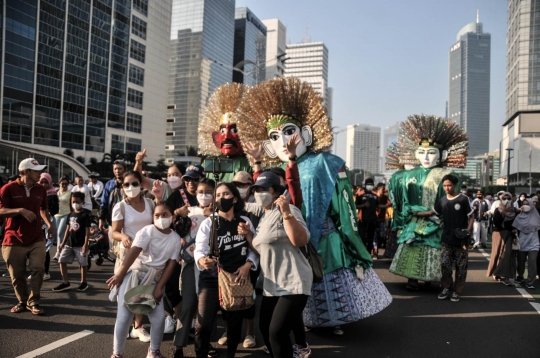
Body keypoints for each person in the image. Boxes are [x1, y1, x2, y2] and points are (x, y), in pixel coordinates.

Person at [236, 77, 392, 334]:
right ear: (269, 147)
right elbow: (268, 189)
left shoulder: (325, 162)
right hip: (290, 234)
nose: (284, 141)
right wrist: (256, 164)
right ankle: (305, 325)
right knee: (297, 283)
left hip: (325, 235)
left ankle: (334, 321)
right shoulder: (282, 168)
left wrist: (349, 238)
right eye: (275, 136)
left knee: (329, 277)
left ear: (305, 134)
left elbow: (343, 205)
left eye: (289, 131)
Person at [387, 115, 469, 291]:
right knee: (413, 246)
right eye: (422, 152)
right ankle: (413, 279)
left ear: (442, 155)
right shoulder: (408, 175)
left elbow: (449, 198)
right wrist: (406, 214)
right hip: (415, 219)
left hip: (436, 219)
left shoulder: (445, 176)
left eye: (431, 153)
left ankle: (430, 278)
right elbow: (401, 198)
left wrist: (441, 217)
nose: (426, 157)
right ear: (416, 153)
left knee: (434, 249)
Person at [248, 172, 312, 358]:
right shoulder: (264, 215)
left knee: (277, 331)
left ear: (275, 191)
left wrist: (286, 213)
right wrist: (248, 236)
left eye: (264, 189)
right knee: (266, 328)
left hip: (294, 281)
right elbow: (264, 248)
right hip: (272, 284)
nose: (259, 193)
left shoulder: (289, 210)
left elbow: (300, 240)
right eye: (256, 190)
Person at [107, 202, 182, 358]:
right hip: (134, 274)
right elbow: (134, 251)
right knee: (124, 316)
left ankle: (153, 351)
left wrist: (159, 287)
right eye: (157, 215)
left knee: (159, 318)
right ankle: (117, 353)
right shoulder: (148, 231)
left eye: (165, 215)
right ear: (152, 218)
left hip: (154, 279)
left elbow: (170, 265)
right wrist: (120, 273)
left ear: (173, 217)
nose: (161, 218)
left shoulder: (175, 238)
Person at [194, 182, 258, 358]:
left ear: (235, 198)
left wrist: (248, 265)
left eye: (226, 194)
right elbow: (199, 248)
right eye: (219, 195)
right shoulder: (209, 223)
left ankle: (231, 354)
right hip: (212, 277)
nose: (222, 198)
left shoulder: (245, 222)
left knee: (234, 322)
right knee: (203, 323)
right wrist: (202, 260)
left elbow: (255, 249)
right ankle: (201, 352)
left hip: (237, 277)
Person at [0, 158, 53, 315]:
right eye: (36, 171)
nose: (40, 174)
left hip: (36, 237)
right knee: (17, 274)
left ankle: (34, 301)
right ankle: (23, 301)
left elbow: (43, 209)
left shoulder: (40, 190)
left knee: (38, 268)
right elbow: (1, 211)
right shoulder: (7, 189)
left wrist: (50, 225)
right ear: (26, 172)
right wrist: (20, 210)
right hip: (13, 238)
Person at [412, 174, 474, 302]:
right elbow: (431, 212)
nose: (447, 188)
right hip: (446, 239)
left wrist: (467, 230)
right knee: (445, 265)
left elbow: (471, 216)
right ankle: (447, 288)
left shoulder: (463, 199)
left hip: (461, 240)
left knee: (461, 267)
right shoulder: (443, 200)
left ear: (455, 185)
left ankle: (457, 291)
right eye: (445, 185)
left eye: (449, 185)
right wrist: (416, 213)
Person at [172, 178, 215, 358]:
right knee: (188, 305)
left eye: (208, 192)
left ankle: (203, 344)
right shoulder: (188, 211)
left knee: (206, 309)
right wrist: (176, 213)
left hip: (211, 266)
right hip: (190, 264)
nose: (204, 196)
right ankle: (179, 345)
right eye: (200, 192)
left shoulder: (220, 213)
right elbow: (171, 225)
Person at [112, 170, 155, 342]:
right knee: (127, 291)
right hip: (129, 254)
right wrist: (123, 236)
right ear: (122, 187)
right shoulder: (120, 206)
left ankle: (137, 326)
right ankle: (125, 328)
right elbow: (115, 231)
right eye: (126, 184)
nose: (131, 187)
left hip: (148, 253)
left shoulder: (151, 204)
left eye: (135, 183)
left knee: (143, 290)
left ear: (141, 184)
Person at [198, 83, 252, 182]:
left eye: (234, 130)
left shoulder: (250, 163)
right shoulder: (209, 163)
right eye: (222, 130)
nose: (227, 136)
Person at [52, 192, 91, 292]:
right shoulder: (70, 215)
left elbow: (87, 231)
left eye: (77, 202)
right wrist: (62, 243)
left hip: (80, 244)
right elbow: (67, 230)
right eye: (73, 202)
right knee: (62, 260)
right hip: (69, 244)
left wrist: (85, 244)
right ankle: (65, 282)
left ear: (83, 202)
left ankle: (83, 282)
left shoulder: (85, 215)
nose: (75, 204)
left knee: (83, 264)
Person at [487, 192, 518, 285]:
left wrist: (514, 237)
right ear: (501, 199)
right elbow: (496, 223)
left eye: (508, 198)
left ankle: (506, 277)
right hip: (498, 233)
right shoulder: (498, 209)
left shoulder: (513, 210)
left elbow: (514, 225)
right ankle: (496, 272)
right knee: (497, 253)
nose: (506, 200)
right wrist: (502, 213)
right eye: (504, 198)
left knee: (508, 254)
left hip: (509, 234)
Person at [513, 199, 540, 289]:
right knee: (520, 261)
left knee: (532, 263)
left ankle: (530, 281)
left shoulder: (537, 216)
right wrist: (514, 236)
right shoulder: (519, 216)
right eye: (524, 204)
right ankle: (520, 276)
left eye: (527, 204)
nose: (525, 206)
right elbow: (515, 228)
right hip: (522, 242)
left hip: (534, 243)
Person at [38, 173, 59, 281]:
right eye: (42, 182)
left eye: (46, 182)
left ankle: (46, 272)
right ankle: (36, 271)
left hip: (47, 222)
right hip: (36, 222)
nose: (44, 184)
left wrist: (47, 214)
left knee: (45, 247)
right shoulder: (36, 192)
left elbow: (56, 209)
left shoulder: (52, 194)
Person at [99, 160, 127, 230]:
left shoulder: (129, 183)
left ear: (125, 170)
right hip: (112, 219)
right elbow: (103, 202)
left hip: (127, 220)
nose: (117, 171)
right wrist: (101, 219)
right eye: (115, 169)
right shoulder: (109, 184)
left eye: (120, 169)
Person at [356, 178, 379, 259]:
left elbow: (378, 206)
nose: (370, 186)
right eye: (368, 184)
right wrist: (363, 206)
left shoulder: (375, 196)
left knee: (370, 239)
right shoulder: (360, 194)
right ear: (365, 185)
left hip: (372, 220)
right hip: (362, 220)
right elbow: (355, 205)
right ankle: (361, 255)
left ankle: (368, 255)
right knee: (362, 238)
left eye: (371, 184)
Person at [54, 176, 72, 260]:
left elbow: (71, 205)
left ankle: (58, 252)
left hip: (66, 214)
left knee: (60, 233)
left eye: (66, 184)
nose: (64, 185)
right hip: (57, 215)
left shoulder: (70, 193)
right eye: (63, 184)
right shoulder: (56, 192)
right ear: (59, 184)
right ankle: (64, 249)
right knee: (58, 234)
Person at [376, 183, 392, 250]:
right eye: (382, 189)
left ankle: (379, 244)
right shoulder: (374, 197)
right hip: (374, 219)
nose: (383, 190)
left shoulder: (385, 197)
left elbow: (390, 203)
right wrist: (386, 206)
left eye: (384, 189)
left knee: (382, 235)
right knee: (374, 235)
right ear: (378, 189)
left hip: (382, 219)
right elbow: (377, 206)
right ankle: (374, 251)